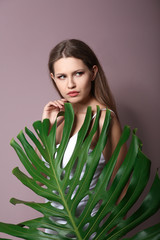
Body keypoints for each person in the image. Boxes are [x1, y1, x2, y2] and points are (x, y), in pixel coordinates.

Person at [41, 39, 127, 235]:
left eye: (78, 73)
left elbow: (122, 184)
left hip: (87, 230)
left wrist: (113, 233)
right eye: (62, 76)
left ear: (93, 73)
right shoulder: (59, 116)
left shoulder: (104, 119)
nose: (70, 84)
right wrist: (46, 129)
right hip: (51, 231)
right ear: (53, 78)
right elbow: (39, 180)